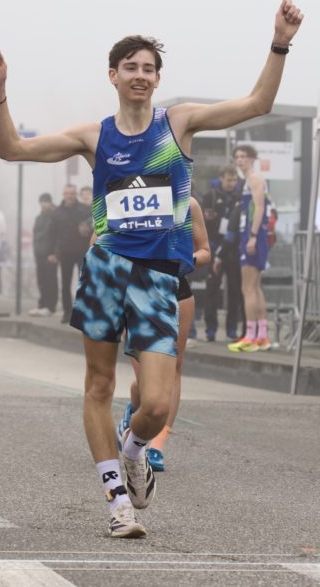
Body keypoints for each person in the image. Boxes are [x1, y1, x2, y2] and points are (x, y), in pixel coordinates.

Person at [0, 0, 304, 538]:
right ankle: (117, 503)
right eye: (131, 67)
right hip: (106, 269)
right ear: (113, 75)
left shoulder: (180, 123)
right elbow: (12, 148)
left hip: (157, 276)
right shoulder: (94, 137)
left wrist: (280, 42)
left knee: (155, 403)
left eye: (150, 69)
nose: (141, 76)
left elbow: (257, 103)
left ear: (158, 78)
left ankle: (133, 450)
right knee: (99, 385)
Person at [117, 197, 211, 472]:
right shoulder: (126, 197)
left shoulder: (189, 204)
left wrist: (188, 259)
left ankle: (156, 444)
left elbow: (205, 250)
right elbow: (97, 246)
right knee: (146, 381)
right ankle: (133, 414)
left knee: (173, 371)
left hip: (177, 291)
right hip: (134, 293)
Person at [228, 144, 273, 353]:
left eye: (244, 156)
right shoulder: (249, 181)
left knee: (247, 288)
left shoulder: (255, 179)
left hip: (253, 235)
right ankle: (262, 336)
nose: (240, 160)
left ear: (252, 159)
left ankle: (251, 336)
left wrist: (253, 236)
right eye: (237, 156)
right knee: (254, 288)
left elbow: (260, 208)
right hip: (252, 235)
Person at [201, 165, 244, 341]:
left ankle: (232, 329)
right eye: (228, 180)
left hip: (233, 250)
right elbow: (203, 222)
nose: (231, 183)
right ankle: (210, 329)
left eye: (234, 180)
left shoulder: (240, 197)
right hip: (214, 246)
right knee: (212, 290)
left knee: (235, 291)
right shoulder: (210, 196)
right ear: (221, 179)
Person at [53, 183, 92, 323]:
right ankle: (67, 312)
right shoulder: (57, 212)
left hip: (82, 251)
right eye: (67, 193)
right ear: (63, 195)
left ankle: (82, 311)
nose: (69, 196)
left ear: (76, 195)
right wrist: (54, 252)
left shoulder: (85, 209)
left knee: (84, 282)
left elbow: (93, 227)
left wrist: (87, 230)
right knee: (65, 284)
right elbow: (53, 234)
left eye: (72, 193)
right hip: (65, 253)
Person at [29, 193, 58, 316]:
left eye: (45, 201)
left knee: (51, 280)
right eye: (41, 201)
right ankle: (42, 304)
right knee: (41, 280)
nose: (43, 204)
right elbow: (35, 236)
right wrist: (35, 251)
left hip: (50, 254)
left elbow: (58, 237)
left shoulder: (55, 216)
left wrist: (55, 253)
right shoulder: (39, 218)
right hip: (39, 253)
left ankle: (50, 307)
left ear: (50, 202)